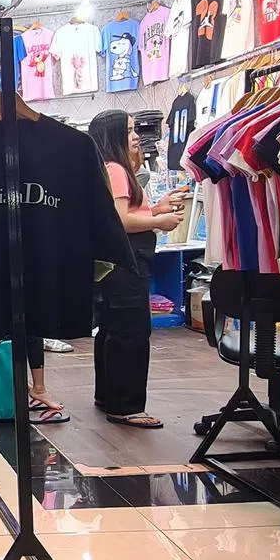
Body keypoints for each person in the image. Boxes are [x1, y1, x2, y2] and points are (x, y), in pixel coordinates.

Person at [88, 110, 185, 429]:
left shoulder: (109, 169)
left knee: (114, 330)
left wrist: (157, 208)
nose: (135, 135)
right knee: (130, 330)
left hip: (120, 261)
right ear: (113, 134)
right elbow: (119, 222)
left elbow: (128, 212)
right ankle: (126, 406)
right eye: (128, 130)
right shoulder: (115, 169)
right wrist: (158, 221)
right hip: (126, 260)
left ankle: (109, 397)